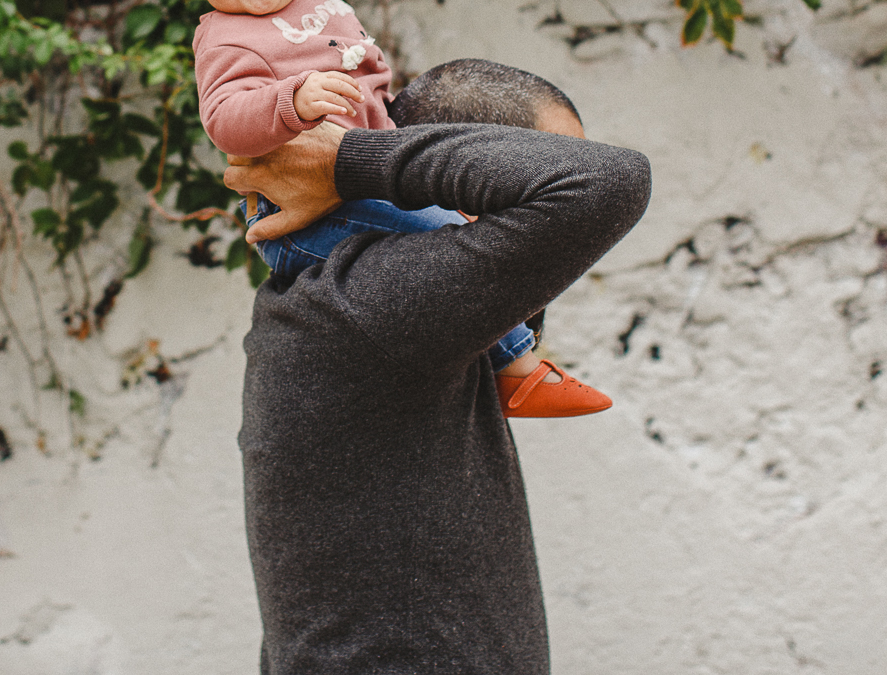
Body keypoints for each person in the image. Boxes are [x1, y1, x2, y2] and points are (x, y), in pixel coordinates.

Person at [227, 59, 652, 674]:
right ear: (466, 184)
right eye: (521, 175)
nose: (563, 242)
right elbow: (610, 181)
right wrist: (350, 162)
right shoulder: (374, 297)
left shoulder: (388, 303)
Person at [159, 0, 609, 417]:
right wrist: (290, 100)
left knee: (451, 235)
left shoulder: (319, 4)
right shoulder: (224, 37)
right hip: (305, 215)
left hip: (359, 184)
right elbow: (225, 120)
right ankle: (516, 368)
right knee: (448, 242)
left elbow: (371, 92)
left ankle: (503, 359)